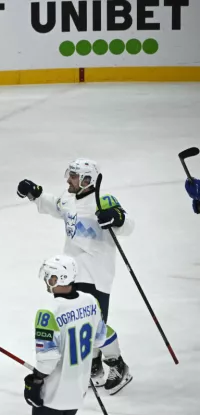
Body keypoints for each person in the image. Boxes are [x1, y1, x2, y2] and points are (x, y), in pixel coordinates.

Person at [17, 159, 133, 393]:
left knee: (95, 324)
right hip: (72, 271)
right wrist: (36, 194)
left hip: (97, 272)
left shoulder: (103, 200)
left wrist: (117, 218)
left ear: (87, 180)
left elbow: (128, 224)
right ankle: (94, 365)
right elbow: (57, 206)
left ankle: (117, 364)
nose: (68, 180)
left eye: (73, 176)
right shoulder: (69, 197)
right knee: (77, 319)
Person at [23, 255, 107, 415]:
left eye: (48, 277)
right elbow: (99, 340)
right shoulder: (91, 301)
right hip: (80, 379)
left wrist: (36, 379)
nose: (46, 282)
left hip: (56, 383)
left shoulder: (49, 311)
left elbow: (47, 357)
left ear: (57, 278)